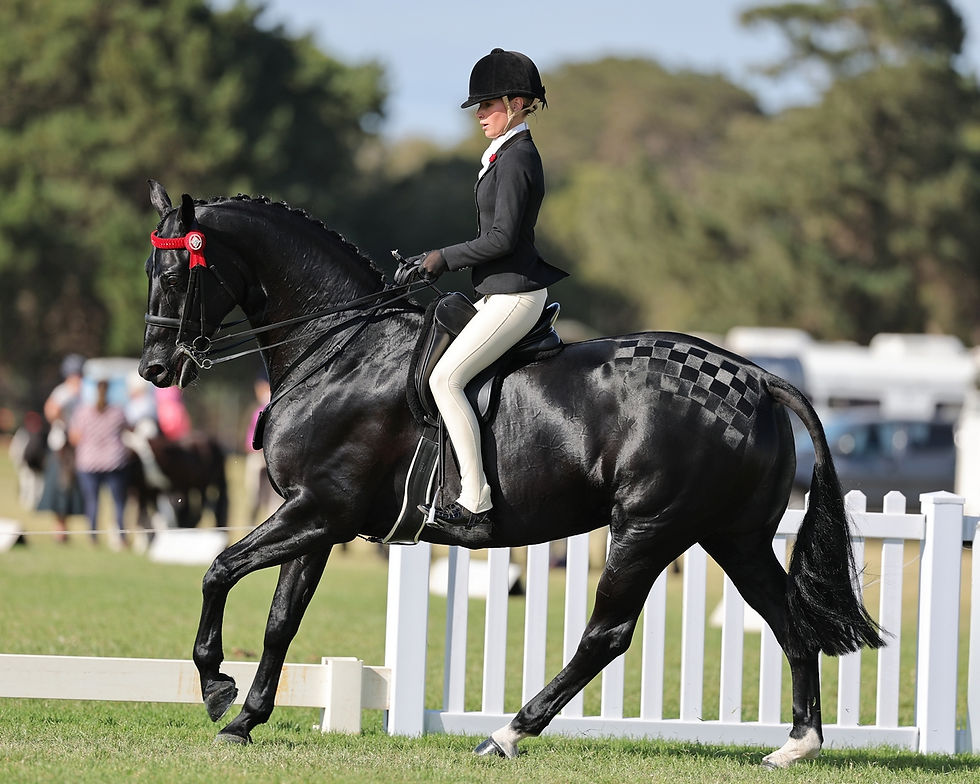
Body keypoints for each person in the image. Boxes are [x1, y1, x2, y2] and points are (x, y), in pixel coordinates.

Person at [404, 48, 568, 529]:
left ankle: (474, 499)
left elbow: (502, 239)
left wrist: (442, 258)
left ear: (516, 104)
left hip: (515, 295)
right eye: (478, 106)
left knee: (445, 380)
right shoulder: (503, 155)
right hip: (497, 292)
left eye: (488, 105)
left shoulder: (518, 158)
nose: (479, 114)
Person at [70, 377, 131, 546]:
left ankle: (93, 537)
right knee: (118, 502)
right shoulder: (118, 411)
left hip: (88, 462)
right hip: (114, 461)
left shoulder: (82, 412)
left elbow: (74, 437)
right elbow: (128, 429)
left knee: (92, 501)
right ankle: (121, 537)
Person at [36, 354, 86, 542]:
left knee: (72, 488)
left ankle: (65, 528)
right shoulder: (64, 391)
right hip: (62, 447)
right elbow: (51, 411)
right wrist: (66, 426)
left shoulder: (83, 392)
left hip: (77, 447)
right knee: (60, 486)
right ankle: (59, 528)